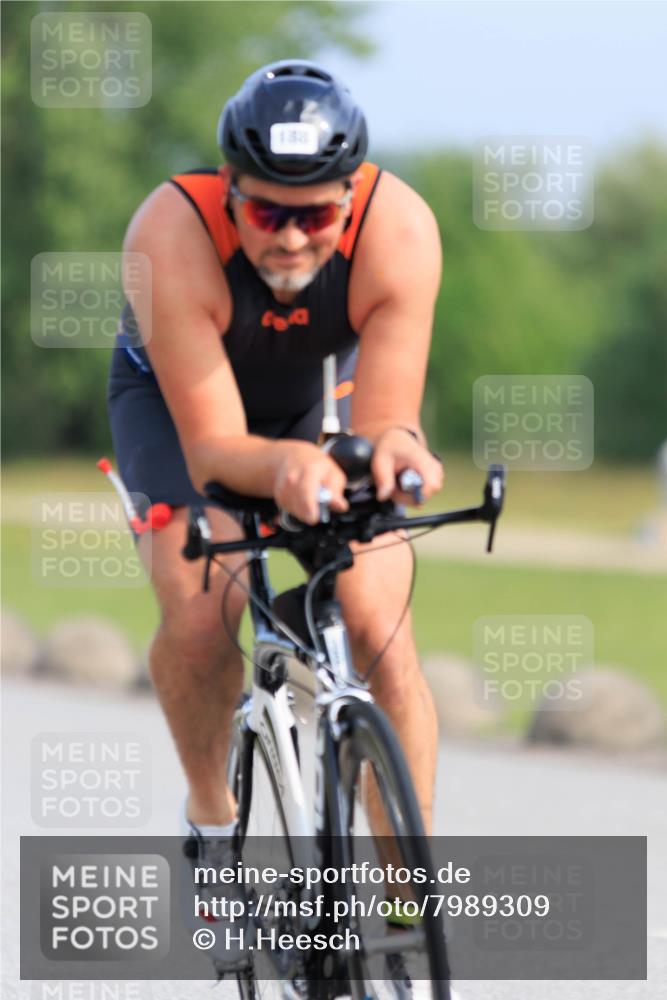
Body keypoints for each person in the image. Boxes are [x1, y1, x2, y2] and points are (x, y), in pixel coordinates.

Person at [107, 58, 445, 988]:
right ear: (230, 194)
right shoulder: (170, 233)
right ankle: (214, 829)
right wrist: (286, 465)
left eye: (316, 214)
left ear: (352, 195)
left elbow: (384, 418)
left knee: (378, 621)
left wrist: (394, 456)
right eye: (266, 212)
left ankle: (407, 901)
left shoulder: (401, 228)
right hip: (180, 407)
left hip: (311, 394)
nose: (292, 238)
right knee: (201, 596)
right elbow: (216, 448)